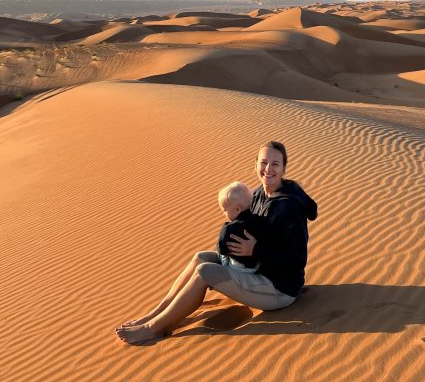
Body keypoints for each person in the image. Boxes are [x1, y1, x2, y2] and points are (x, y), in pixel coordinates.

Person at [115, 140, 318, 344]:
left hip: (279, 288)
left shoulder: (288, 207)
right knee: (201, 258)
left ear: (284, 168)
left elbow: (296, 260)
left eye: (275, 164)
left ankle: (153, 328)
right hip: (257, 269)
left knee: (206, 272)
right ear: (255, 164)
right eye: (264, 162)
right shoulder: (257, 195)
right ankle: (156, 313)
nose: (268, 169)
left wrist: (255, 250)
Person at [216, 181, 264, 272]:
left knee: (220, 255)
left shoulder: (228, 229)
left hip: (237, 268)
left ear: (238, 209)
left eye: (225, 210)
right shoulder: (260, 220)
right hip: (255, 267)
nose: (224, 214)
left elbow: (222, 250)